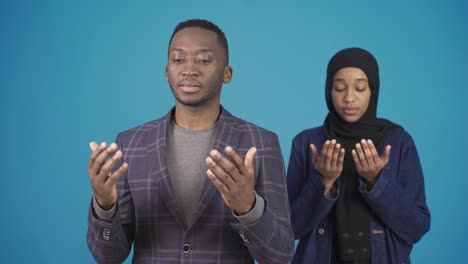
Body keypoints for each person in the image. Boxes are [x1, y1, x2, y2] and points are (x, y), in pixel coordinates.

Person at [86, 19, 294, 263]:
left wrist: (248, 207)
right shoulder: (130, 143)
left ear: (227, 73)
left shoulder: (261, 143)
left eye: (204, 60)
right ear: (166, 72)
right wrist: (104, 204)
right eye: (178, 59)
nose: (189, 69)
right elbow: (107, 256)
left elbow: (280, 255)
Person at [287, 47, 430, 264]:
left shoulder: (399, 142)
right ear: (328, 90)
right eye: (340, 88)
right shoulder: (306, 143)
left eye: (360, 88)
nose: (349, 98)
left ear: (373, 90)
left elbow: (416, 227)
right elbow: (290, 228)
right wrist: (323, 181)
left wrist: (377, 181)